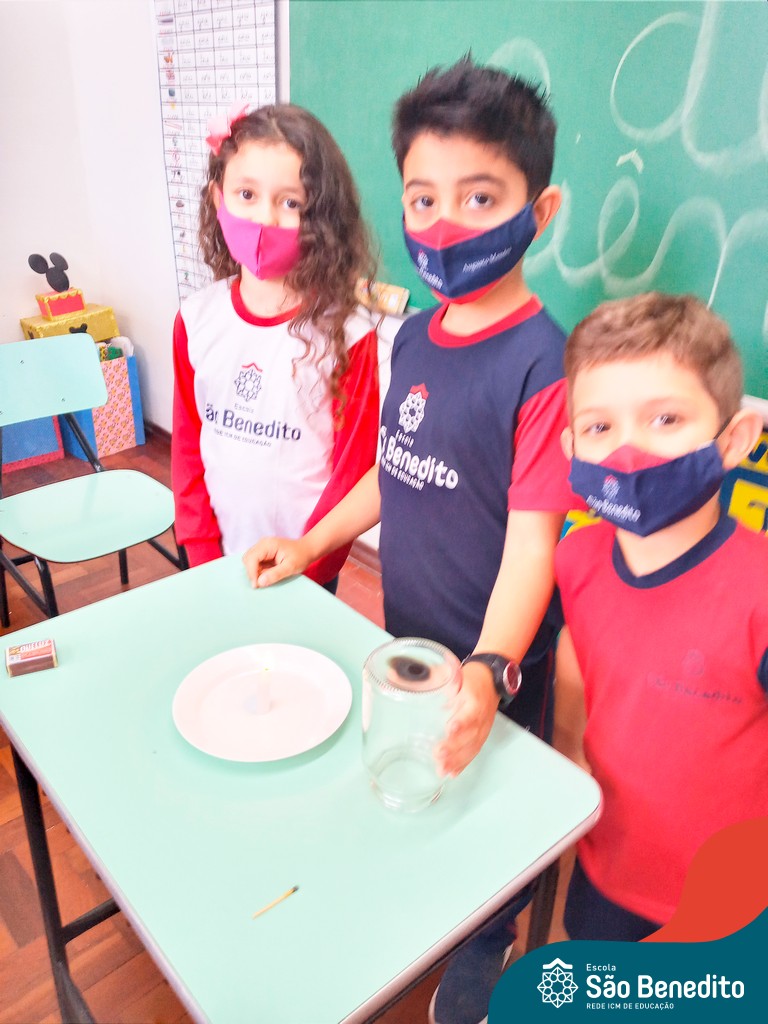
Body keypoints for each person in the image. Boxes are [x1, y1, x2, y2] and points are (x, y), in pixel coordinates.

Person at [244, 58, 575, 1023]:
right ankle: (436, 907)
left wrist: (493, 666)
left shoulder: (544, 362)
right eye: (423, 199)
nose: (445, 224)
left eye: (480, 197)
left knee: (492, 802)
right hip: (410, 634)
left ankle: (490, 936)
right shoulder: (417, 337)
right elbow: (394, 468)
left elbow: (534, 544)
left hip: (496, 656)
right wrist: (311, 543)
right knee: (426, 785)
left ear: (539, 212)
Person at [556, 291, 768, 941]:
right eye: (600, 428)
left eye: (665, 419)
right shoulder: (577, 557)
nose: (630, 452)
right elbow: (581, 669)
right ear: (571, 448)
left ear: (733, 440)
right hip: (605, 872)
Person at [171, 104, 380, 589]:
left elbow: (352, 470)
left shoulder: (350, 333)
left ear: (320, 216)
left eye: (290, 202)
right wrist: (202, 554)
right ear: (218, 197)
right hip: (216, 563)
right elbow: (187, 447)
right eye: (246, 194)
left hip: (304, 569)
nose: (264, 218)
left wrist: (310, 562)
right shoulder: (196, 319)